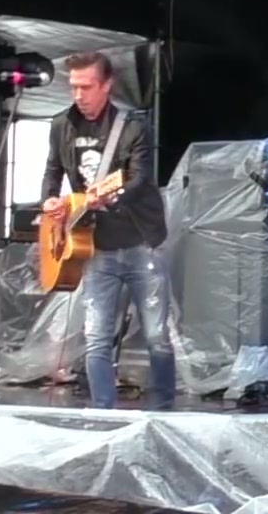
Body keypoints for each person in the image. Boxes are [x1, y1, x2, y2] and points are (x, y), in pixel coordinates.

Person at [41, 51, 174, 409]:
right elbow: (53, 169)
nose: (78, 95)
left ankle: (165, 411)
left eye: (86, 87)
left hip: (141, 242)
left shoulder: (132, 127)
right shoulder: (62, 125)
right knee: (97, 336)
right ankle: (103, 412)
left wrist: (110, 199)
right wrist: (49, 200)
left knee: (157, 336)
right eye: (73, 87)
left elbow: (139, 179)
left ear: (106, 85)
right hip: (94, 243)